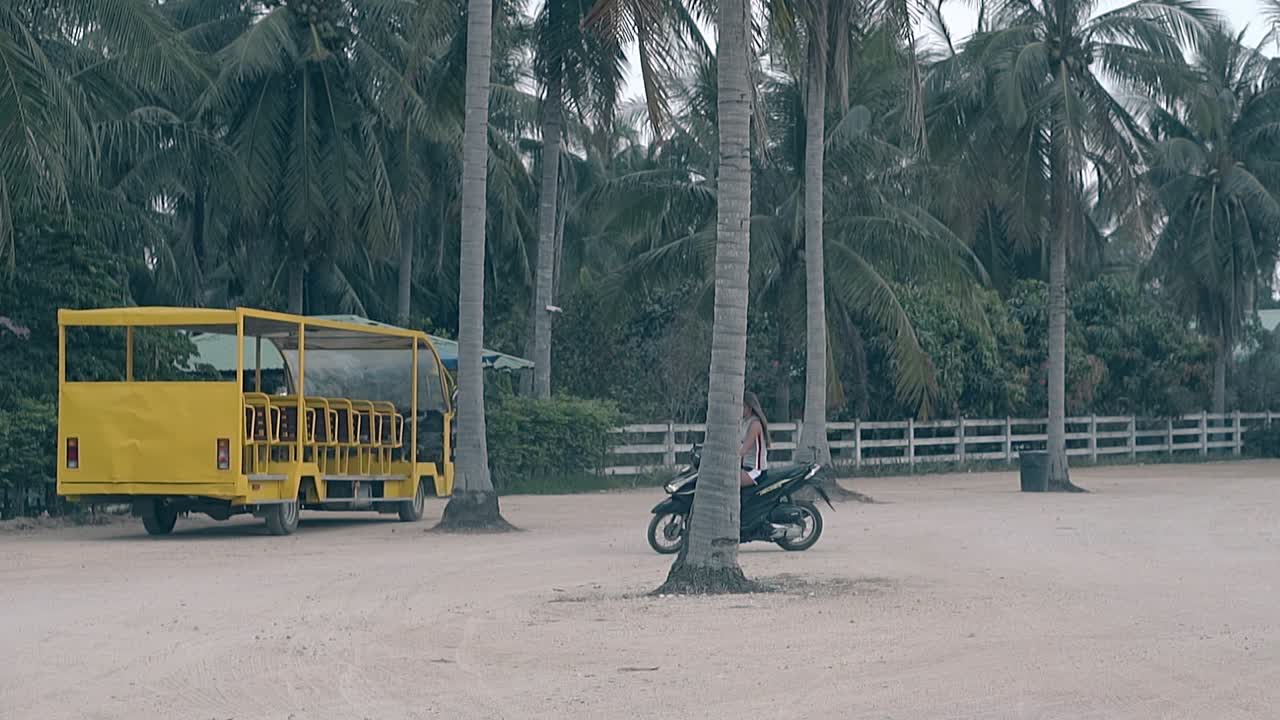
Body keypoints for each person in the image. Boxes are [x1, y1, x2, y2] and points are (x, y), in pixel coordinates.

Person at [740, 391, 769, 487]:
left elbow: (744, 450)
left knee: (729, 480)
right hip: (745, 467)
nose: (740, 409)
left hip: (756, 470)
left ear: (750, 407)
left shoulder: (755, 424)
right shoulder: (744, 422)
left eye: (743, 406)